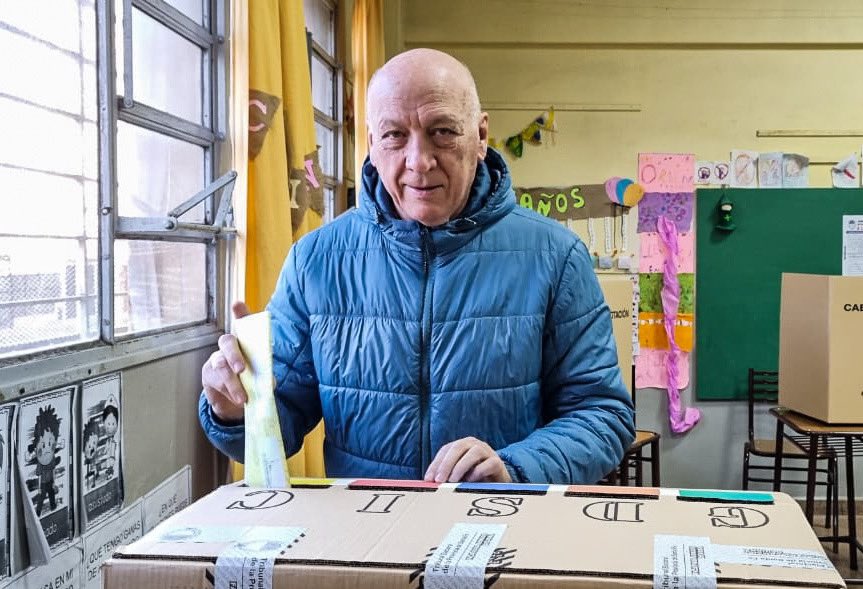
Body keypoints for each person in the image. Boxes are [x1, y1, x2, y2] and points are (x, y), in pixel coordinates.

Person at [200, 48, 635, 484]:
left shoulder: (555, 257)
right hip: (368, 536)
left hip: (500, 526)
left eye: (442, 131)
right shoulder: (317, 260)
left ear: (481, 136)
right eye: (393, 135)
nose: (418, 161)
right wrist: (236, 409)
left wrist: (517, 467)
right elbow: (283, 418)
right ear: (371, 144)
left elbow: (602, 414)